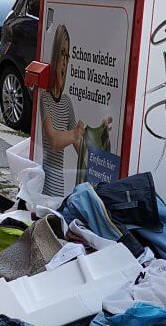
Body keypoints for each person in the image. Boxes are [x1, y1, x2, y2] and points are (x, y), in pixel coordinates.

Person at [39, 24, 113, 197]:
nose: (65, 61)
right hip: (45, 185)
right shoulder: (45, 98)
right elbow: (54, 142)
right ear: (55, 57)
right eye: (62, 54)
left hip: (59, 188)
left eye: (68, 56)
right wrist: (75, 133)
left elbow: (81, 149)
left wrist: (99, 134)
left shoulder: (66, 102)